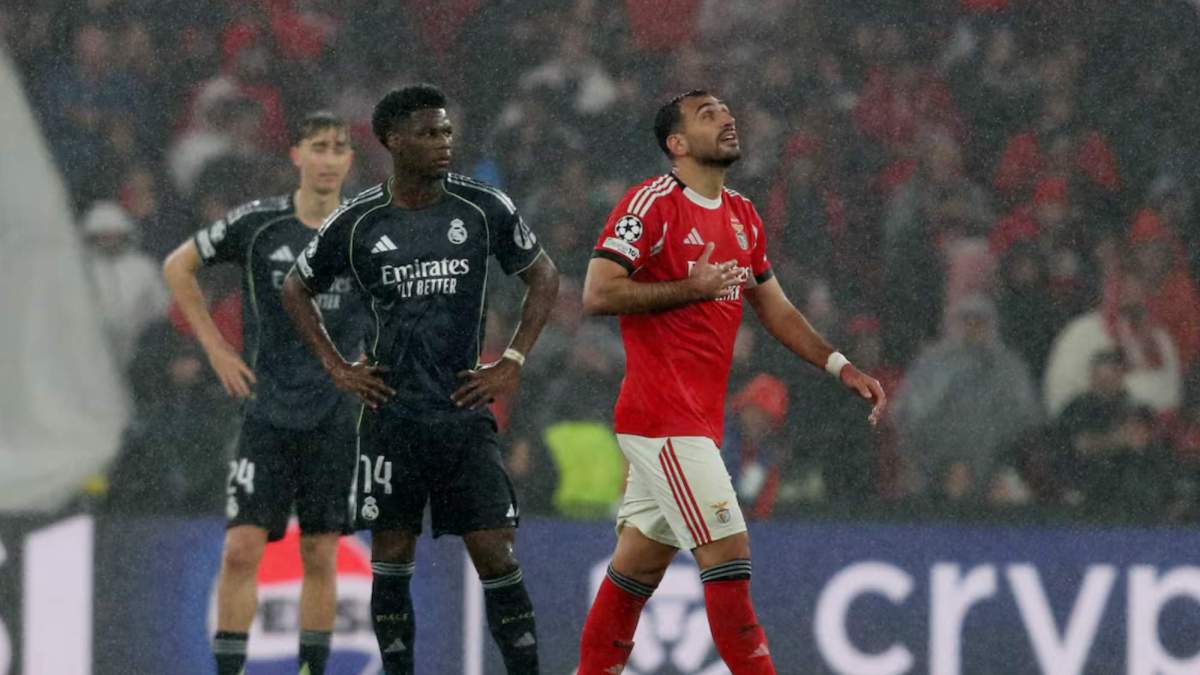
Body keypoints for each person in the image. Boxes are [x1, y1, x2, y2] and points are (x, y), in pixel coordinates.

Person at [576, 90, 886, 674]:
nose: (726, 118)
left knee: (636, 569)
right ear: (677, 144)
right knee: (729, 554)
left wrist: (839, 364)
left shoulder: (743, 215)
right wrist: (688, 289)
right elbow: (598, 291)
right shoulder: (651, 204)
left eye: (726, 110)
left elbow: (775, 307)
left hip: (694, 423)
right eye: (707, 114)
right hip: (662, 420)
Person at [280, 84, 560, 675]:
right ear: (392, 141)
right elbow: (294, 288)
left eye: (447, 132)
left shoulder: (483, 208)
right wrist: (337, 366)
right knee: (392, 555)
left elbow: (545, 276)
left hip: (462, 412)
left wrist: (513, 359)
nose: (443, 144)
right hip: (391, 417)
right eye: (429, 134)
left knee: (495, 553)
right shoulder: (356, 223)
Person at [162, 111, 364, 675]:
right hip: (268, 414)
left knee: (322, 553)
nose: (328, 158)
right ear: (296, 155)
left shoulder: (367, 230)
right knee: (241, 550)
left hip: (334, 417)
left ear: (349, 160)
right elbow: (178, 267)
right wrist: (217, 349)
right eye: (317, 147)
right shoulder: (259, 224)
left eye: (338, 148)